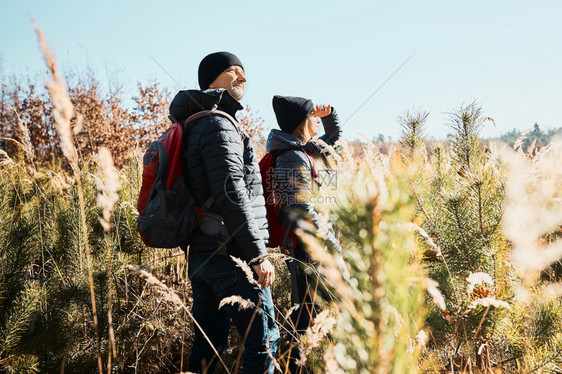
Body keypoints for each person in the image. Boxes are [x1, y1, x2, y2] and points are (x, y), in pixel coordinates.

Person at [168, 52, 280, 373]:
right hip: (230, 255)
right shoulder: (219, 125)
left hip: (201, 258)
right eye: (233, 72)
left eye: (244, 73)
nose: (242, 78)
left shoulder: (192, 124)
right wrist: (257, 256)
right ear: (212, 80)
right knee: (264, 342)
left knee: (209, 345)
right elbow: (232, 195)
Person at [266, 95, 343, 373]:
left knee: (313, 314)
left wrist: (330, 114)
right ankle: (299, 366)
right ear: (302, 122)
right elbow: (301, 210)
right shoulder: (292, 156)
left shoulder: (304, 149)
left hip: (314, 246)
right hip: (308, 249)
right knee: (309, 316)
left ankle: (305, 365)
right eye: (314, 116)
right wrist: (333, 245)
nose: (317, 121)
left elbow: (333, 141)